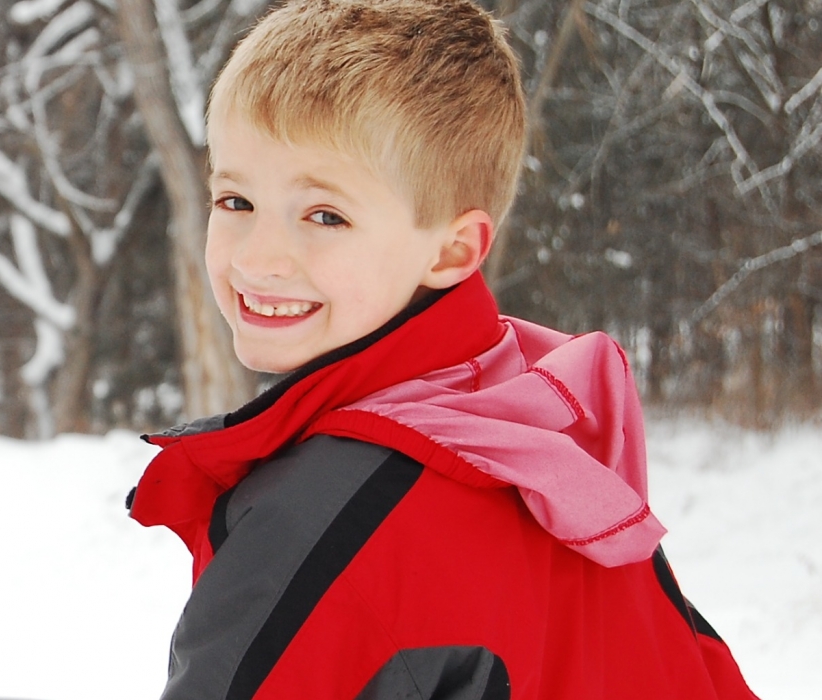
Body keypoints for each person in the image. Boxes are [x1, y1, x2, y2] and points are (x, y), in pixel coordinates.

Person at [124, 1, 758, 698]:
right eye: (235, 200)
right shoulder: (538, 439)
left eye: (325, 215)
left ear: (454, 249)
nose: (258, 257)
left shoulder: (324, 523)